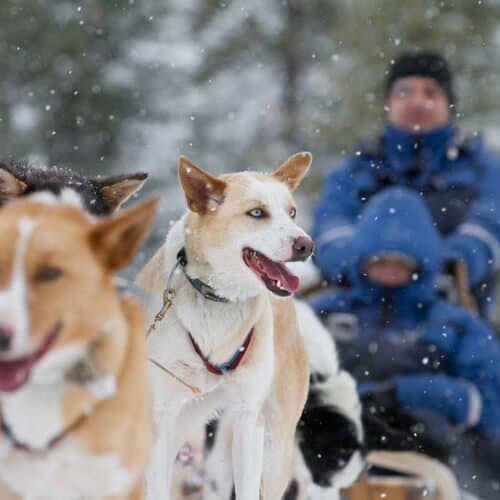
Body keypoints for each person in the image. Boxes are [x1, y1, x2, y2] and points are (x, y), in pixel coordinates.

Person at [310, 187, 500, 499]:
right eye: (379, 261)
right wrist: (350, 400)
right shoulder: (323, 314)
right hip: (330, 448)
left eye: (400, 263)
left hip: (432, 457)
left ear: (421, 265)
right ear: (361, 259)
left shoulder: (456, 323)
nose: (388, 271)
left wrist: (403, 394)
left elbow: (490, 407)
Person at [312, 50, 500, 313]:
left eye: (431, 93)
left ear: (449, 106)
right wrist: (358, 266)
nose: (417, 101)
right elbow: (330, 225)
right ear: (388, 102)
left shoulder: (485, 169)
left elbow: (489, 228)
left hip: (454, 323)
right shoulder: (353, 171)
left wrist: (439, 267)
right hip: (355, 320)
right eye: (405, 91)